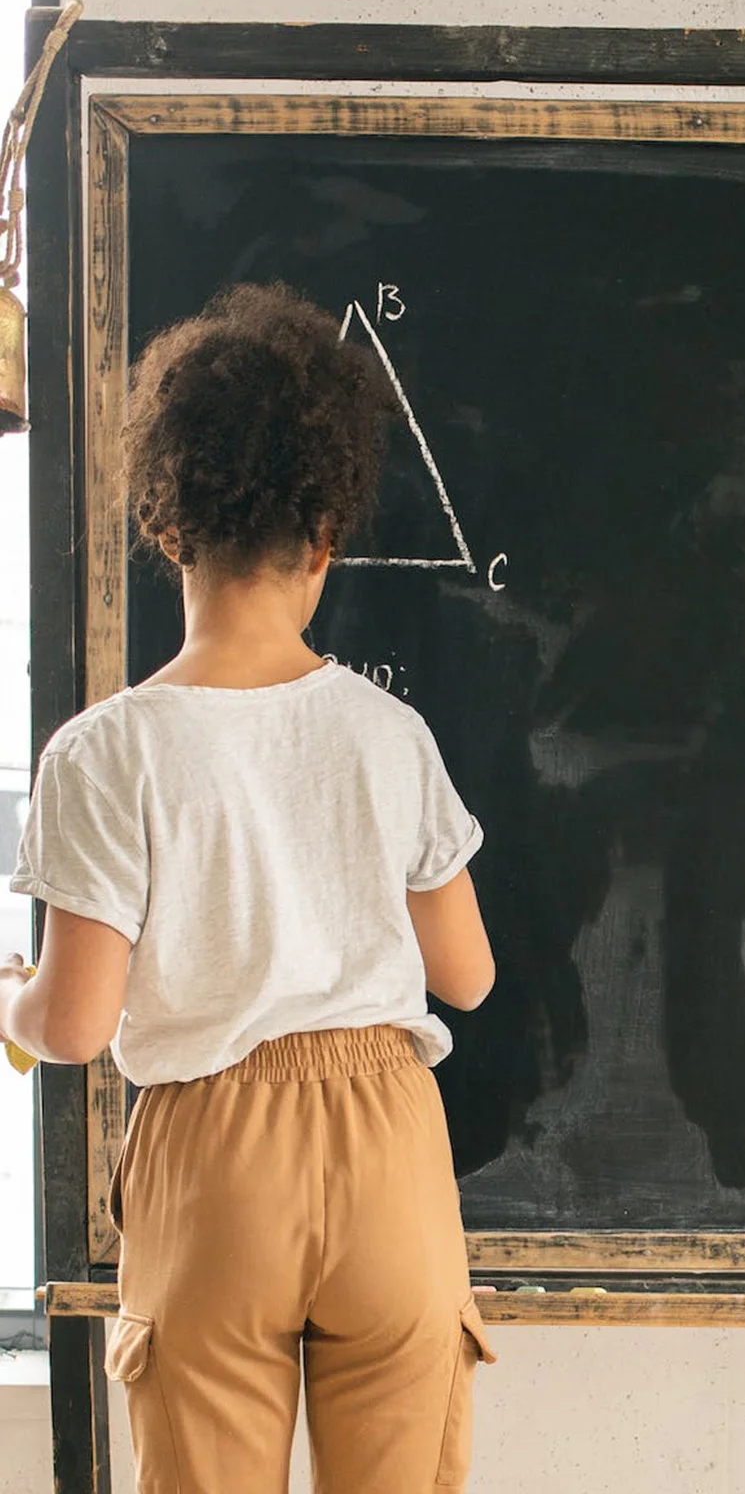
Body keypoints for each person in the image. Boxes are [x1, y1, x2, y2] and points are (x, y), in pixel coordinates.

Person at [0, 282, 499, 1493]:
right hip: (388, 1147)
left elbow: (72, 1025)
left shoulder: (105, 750)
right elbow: (467, 978)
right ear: (325, 534)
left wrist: (11, 1003)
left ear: (166, 528)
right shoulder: (390, 731)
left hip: (215, 1160)